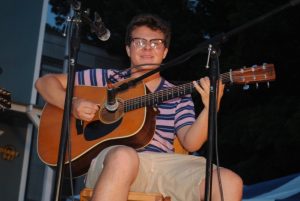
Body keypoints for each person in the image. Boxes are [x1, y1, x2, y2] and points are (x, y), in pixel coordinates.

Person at [35, 13, 243, 201]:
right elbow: (45, 83)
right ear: (128, 48)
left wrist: (210, 108)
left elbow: (191, 142)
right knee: (125, 156)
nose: (147, 48)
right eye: (140, 42)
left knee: (230, 182)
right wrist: (72, 104)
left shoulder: (179, 94)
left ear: (165, 51)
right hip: (113, 162)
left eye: (155, 43)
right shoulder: (106, 78)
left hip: (164, 166)